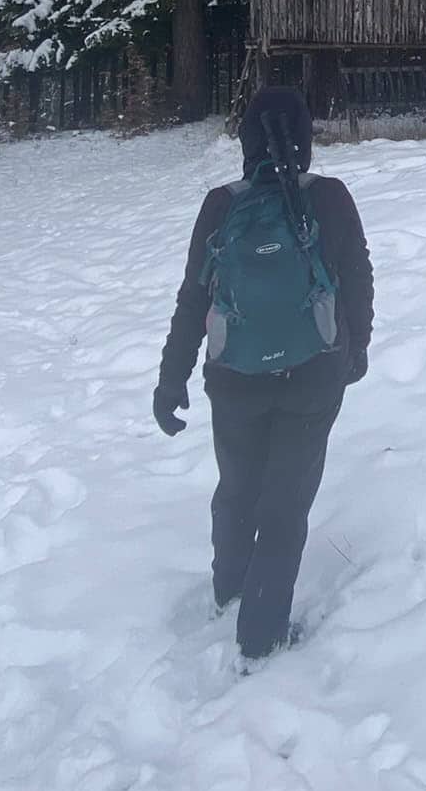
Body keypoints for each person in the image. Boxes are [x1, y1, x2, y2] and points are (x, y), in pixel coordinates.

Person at [153, 85, 373, 660]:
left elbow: (193, 297)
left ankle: (230, 589)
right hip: (315, 374)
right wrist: (357, 348)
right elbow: (357, 277)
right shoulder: (330, 198)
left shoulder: (220, 205)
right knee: (285, 504)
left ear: (247, 140)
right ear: (304, 139)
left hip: (234, 379)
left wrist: (171, 378)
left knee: (238, 488)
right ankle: (260, 636)